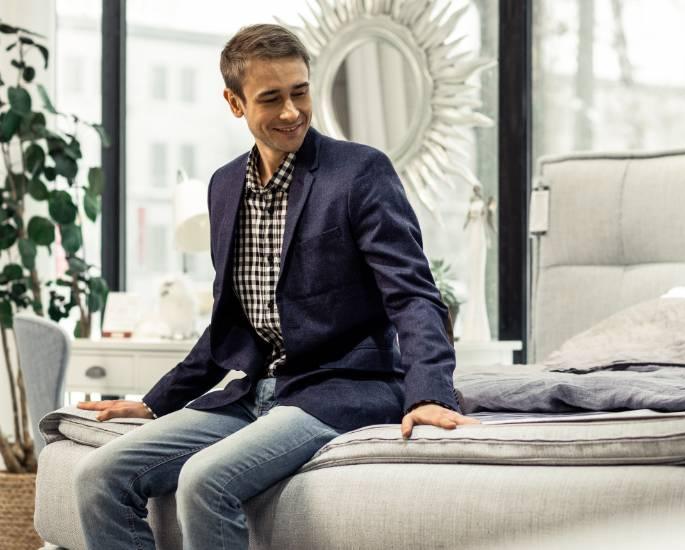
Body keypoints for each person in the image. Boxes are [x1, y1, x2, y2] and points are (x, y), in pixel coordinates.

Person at [72, 23, 479, 550]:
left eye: (300, 92)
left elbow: (412, 294)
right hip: (254, 392)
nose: (291, 111)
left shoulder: (358, 173)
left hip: (341, 389)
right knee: (98, 479)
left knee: (204, 480)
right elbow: (230, 320)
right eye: (271, 98)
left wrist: (427, 393)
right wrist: (155, 403)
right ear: (235, 103)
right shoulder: (223, 187)